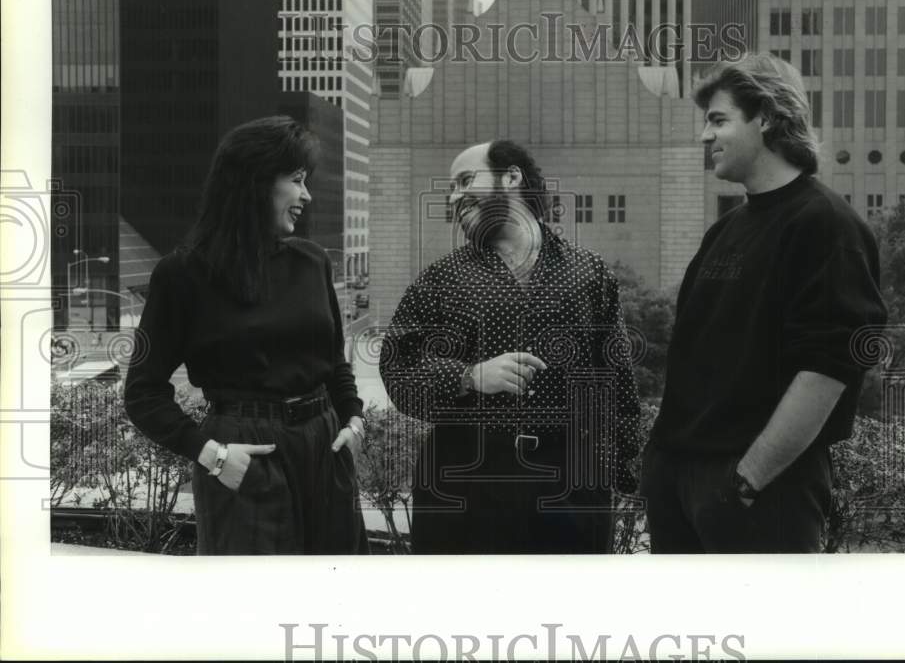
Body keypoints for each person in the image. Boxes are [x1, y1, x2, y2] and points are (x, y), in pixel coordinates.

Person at [640, 53, 888, 553]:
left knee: (766, 633)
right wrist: (663, 470)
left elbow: (826, 370)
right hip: (681, 485)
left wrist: (747, 481)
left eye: (718, 120)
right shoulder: (724, 231)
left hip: (762, 491)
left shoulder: (825, 225)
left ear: (768, 117)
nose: (703, 137)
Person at [379, 140, 641, 554]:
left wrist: (625, 474)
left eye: (466, 180)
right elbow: (397, 368)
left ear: (512, 177)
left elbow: (618, 382)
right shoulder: (441, 280)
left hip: (571, 487)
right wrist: (469, 376)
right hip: (465, 486)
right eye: (450, 188)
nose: (454, 196)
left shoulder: (589, 272)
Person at [124, 117, 367, 555]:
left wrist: (352, 419)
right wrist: (212, 455)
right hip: (244, 452)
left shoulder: (312, 261)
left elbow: (335, 361)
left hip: (325, 444)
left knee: (336, 593)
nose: (306, 196)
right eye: (296, 180)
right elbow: (143, 393)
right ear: (255, 182)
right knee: (254, 603)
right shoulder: (182, 274)